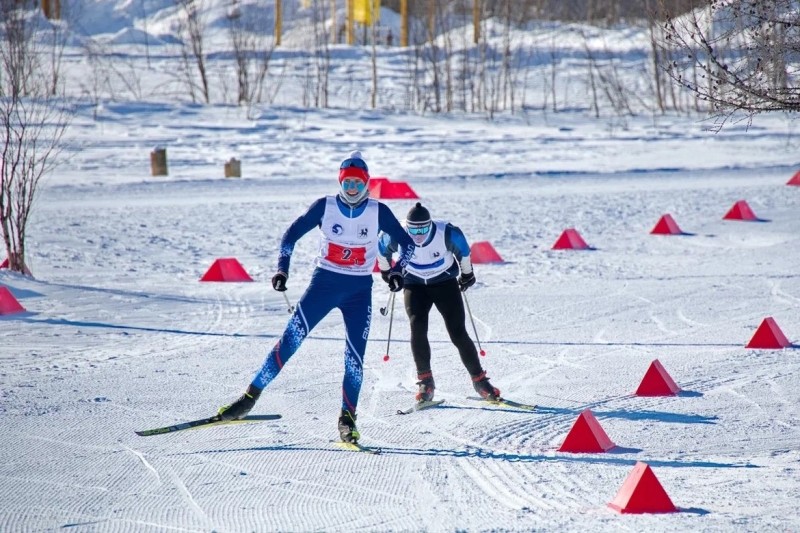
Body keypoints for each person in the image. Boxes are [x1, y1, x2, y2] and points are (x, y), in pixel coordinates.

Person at [217, 151, 415, 444]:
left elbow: (408, 245)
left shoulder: (378, 211)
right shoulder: (326, 206)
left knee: (355, 359)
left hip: (359, 292)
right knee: (289, 342)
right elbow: (290, 236)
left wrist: (396, 272)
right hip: (324, 284)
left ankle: (347, 419)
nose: (352, 190)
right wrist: (282, 270)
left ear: (366, 185)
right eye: (347, 183)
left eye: (357, 185)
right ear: (339, 182)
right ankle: (248, 399)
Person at [377, 202, 502, 404]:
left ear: (431, 224)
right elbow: (381, 249)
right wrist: (388, 273)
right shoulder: (396, 232)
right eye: (414, 229)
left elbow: (464, 251)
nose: (418, 234)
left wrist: (467, 274)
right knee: (417, 327)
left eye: (423, 229)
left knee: (458, 332)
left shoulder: (447, 232)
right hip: (414, 283)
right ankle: (426, 382)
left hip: (444, 283)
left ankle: (480, 381)